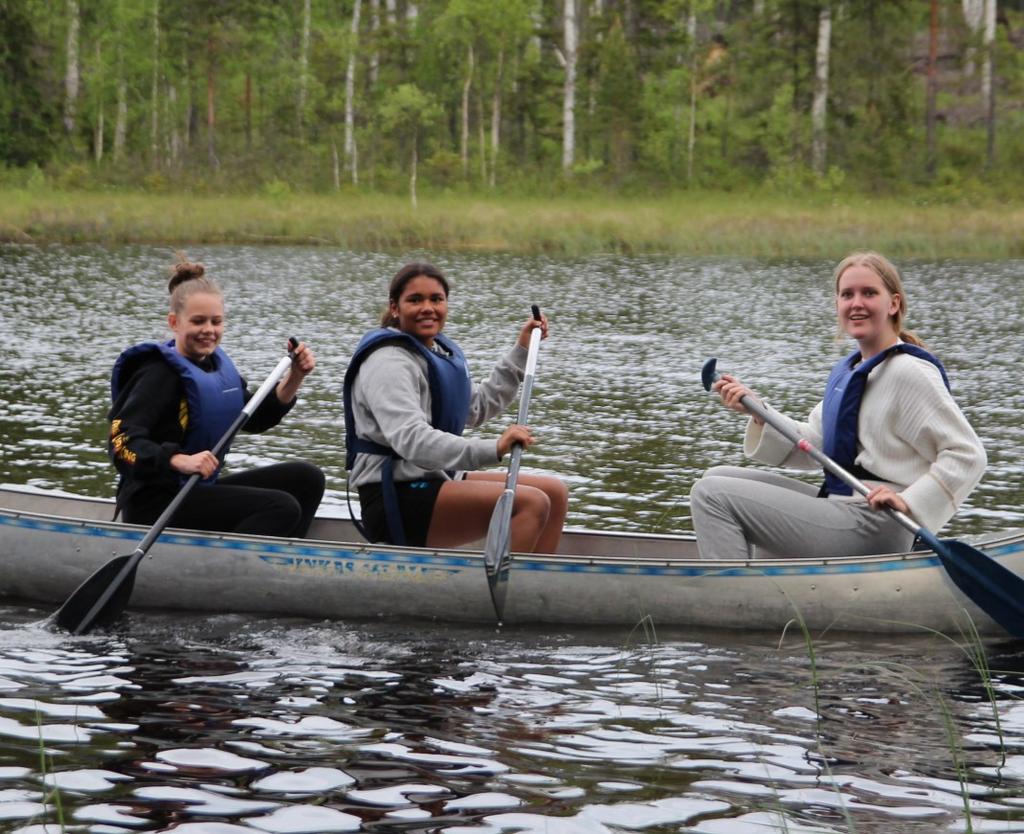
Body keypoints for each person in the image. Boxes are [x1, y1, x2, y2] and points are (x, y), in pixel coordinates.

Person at [689, 251, 987, 561]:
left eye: (869, 293)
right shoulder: (852, 372)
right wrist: (759, 412)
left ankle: (737, 599)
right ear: (838, 305)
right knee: (715, 477)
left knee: (711, 496)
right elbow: (812, 445)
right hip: (843, 507)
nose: (856, 303)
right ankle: (757, 574)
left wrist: (910, 503)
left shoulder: (909, 372)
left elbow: (968, 455)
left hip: (877, 523)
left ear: (893, 304)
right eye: (847, 295)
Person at [343, 261, 568, 552]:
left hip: (433, 478)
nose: (428, 308)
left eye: (436, 299)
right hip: (394, 496)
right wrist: (494, 448)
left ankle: (536, 585)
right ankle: (502, 593)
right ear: (395, 307)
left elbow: (475, 408)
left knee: (555, 492)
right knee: (530, 503)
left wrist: (521, 351)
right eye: (415, 300)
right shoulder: (388, 362)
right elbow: (412, 441)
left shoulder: (433, 353)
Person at [108, 256, 325, 537]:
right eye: (198, 321)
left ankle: (285, 562)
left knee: (306, 478)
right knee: (279, 507)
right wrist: (178, 460)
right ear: (174, 322)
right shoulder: (158, 373)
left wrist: (295, 375)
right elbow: (120, 443)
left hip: (195, 491)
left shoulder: (216, 370)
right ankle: (244, 572)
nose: (208, 330)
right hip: (154, 505)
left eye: (216, 321)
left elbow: (256, 418)